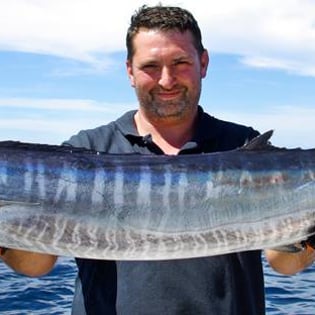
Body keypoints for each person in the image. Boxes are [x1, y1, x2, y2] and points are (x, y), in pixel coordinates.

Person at [1, 4, 315, 315]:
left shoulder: (241, 145)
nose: (166, 80)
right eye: (151, 66)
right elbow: (36, 265)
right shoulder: (88, 147)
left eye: (180, 62)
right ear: (130, 71)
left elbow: (284, 262)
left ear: (202, 63)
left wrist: (310, 241)